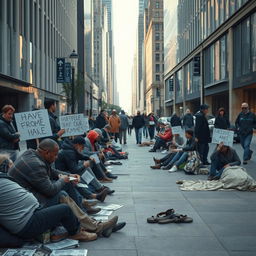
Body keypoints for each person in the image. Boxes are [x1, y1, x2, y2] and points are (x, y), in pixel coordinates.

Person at [8, 139, 99, 214]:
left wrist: (70, 176)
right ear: (47, 153)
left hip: (30, 192)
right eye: (55, 155)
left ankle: (81, 211)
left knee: (67, 183)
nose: (56, 158)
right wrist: (63, 180)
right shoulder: (36, 164)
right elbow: (50, 191)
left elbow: (51, 171)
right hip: (26, 203)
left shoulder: (31, 153)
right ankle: (82, 216)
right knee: (62, 192)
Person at [55, 136, 109, 202]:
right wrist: (84, 165)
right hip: (64, 172)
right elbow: (74, 170)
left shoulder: (71, 149)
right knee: (81, 171)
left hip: (67, 170)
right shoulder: (69, 152)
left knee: (86, 168)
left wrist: (88, 158)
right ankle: (96, 191)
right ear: (77, 145)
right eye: (82, 147)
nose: (83, 149)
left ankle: (98, 188)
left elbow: (80, 156)